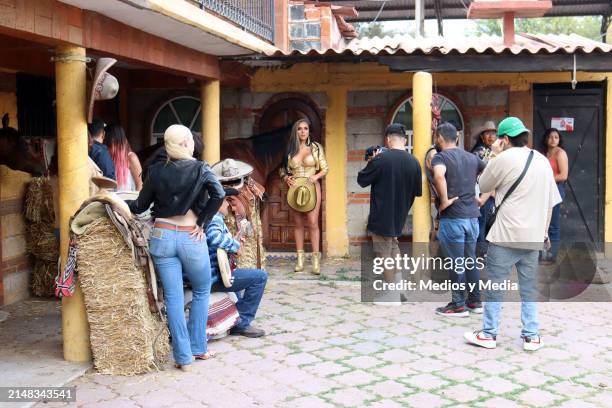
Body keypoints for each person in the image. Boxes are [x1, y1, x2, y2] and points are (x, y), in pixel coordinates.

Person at [126, 124, 225, 371]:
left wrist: (117, 198)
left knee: (173, 296)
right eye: (190, 139)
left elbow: (138, 207)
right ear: (185, 143)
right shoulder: (201, 168)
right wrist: (202, 222)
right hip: (191, 236)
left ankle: (182, 357)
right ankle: (198, 348)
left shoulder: (156, 171)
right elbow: (219, 194)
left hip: (162, 236)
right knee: (202, 289)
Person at [464, 117, 561, 352]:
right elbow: (550, 203)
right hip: (533, 236)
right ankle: (531, 336)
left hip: (505, 235)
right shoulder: (541, 160)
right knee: (528, 288)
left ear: (505, 139)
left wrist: (495, 155)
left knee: (495, 286)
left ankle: (488, 333)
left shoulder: (503, 158)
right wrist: (544, 232)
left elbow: (484, 184)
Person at [357, 123, 422, 304]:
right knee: (394, 248)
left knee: (383, 253)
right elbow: (417, 192)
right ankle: (399, 288)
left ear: (387, 139)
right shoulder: (414, 162)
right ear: (405, 139)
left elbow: (362, 179)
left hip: (381, 214)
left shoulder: (381, 159)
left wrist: (371, 162)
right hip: (400, 214)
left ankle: (391, 294)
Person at [432, 122, 486, 316]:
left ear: (439, 138)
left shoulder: (440, 157)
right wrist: (482, 199)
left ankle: (458, 305)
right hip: (472, 218)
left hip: (453, 217)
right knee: (470, 260)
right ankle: (475, 302)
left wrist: (444, 201)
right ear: (457, 138)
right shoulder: (473, 158)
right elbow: (491, 176)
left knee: (456, 262)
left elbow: (439, 176)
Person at [206, 187, 268, 338]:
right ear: (219, 202)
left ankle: (234, 319)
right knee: (260, 277)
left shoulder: (209, 216)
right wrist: (235, 246)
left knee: (240, 279)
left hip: (212, 273)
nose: (229, 206)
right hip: (214, 277)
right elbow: (213, 237)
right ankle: (242, 323)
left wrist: (232, 243)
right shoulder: (214, 217)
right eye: (226, 202)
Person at [279, 119, 329, 274]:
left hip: (312, 186)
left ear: (309, 131)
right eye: (299, 128)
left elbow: (325, 168)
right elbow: (281, 169)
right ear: (296, 131)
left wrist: (315, 177)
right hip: (294, 188)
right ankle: (300, 260)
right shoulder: (290, 149)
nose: (302, 131)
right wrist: (286, 178)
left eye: (305, 128)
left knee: (313, 222)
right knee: (298, 224)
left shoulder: (316, 147)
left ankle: (315, 261)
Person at [539, 128, 568, 263]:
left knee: (553, 224)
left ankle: (552, 255)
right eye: (550, 137)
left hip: (555, 189)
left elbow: (563, 175)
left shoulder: (560, 153)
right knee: (541, 223)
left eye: (556, 137)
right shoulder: (542, 154)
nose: (553, 139)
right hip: (542, 190)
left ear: (559, 139)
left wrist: (548, 179)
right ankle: (541, 253)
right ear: (546, 139)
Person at [471, 121, 497, 244]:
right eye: (488, 134)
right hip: (482, 193)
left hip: (490, 194)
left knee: (486, 223)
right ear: (482, 136)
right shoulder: (480, 151)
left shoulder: (491, 151)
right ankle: (480, 254)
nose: (491, 136)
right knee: (482, 224)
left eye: (493, 133)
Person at [104, 124, 143, 192]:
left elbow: (140, 185)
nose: (105, 146)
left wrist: (135, 202)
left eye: (107, 143)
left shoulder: (131, 157)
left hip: (129, 201)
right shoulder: (108, 158)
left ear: (113, 141)